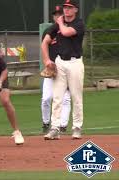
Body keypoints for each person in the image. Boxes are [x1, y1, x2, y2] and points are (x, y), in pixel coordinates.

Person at [41, 0, 85, 140]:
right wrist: (47, 60)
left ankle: (77, 127)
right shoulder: (56, 26)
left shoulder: (79, 24)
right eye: (65, 7)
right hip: (60, 62)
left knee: (76, 97)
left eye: (69, 7)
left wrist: (60, 23)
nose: (66, 10)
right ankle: (54, 128)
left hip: (75, 63)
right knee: (57, 97)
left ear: (75, 10)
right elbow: (45, 42)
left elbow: (66, 32)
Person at [41, 5, 71, 133]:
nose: (57, 16)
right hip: (51, 69)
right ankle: (46, 122)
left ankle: (63, 125)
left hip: (65, 69)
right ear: (53, 17)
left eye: (60, 14)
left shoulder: (69, 30)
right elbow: (44, 48)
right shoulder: (48, 31)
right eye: (55, 14)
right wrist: (46, 62)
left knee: (65, 99)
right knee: (46, 98)